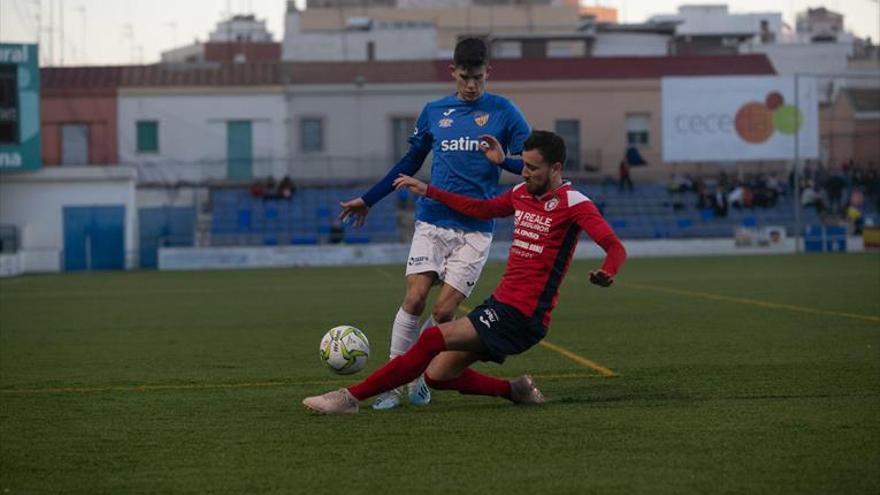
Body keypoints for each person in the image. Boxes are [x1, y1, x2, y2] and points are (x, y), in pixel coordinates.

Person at [303, 130, 627, 415]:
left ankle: (350, 398)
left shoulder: (574, 202)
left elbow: (615, 246)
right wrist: (430, 191)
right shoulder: (520, 194)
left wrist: (607, 271)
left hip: (524, 316)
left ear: (556, 168)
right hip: (500, 305)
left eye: (531, 168)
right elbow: (481, 209)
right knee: (437, 376)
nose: (523, 173)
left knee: (431, 338)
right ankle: (516, 390)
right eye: (523, 165)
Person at [338, 38, 531, 410]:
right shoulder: (434, 111)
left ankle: (419, 376)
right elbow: (409, 162)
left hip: (476, 228)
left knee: (444, 313)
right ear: (453, 72)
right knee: (414, 298)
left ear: (487, 72)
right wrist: (369, 198)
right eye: (464, 77)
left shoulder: (505, 112)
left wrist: (503, 160)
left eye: (477, 78)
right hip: (433, 220)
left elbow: (529, 164)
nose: (471, 85)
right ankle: (394, 384)